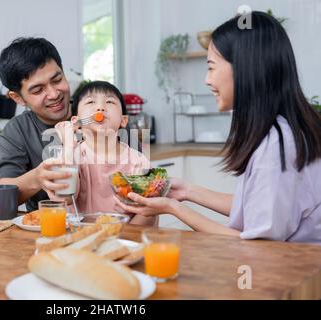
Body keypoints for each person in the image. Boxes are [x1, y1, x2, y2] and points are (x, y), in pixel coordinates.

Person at [114, 11, 321, 243]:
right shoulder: (281, 132)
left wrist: (174, 208)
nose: (207, 79)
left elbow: (261, 247)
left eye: (211, 67)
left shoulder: (276, 146)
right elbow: (255, 209)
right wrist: (187, 192)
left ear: (244, 68)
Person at [54, 81, 155, 225]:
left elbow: (149, 212)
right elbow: (66, 197)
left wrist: (121, 238)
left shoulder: (138, 162)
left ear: (123, 120)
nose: (100, 107)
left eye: (109, 102)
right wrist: (69, 146)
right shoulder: (71, 156)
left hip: (126, 240)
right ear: (76, 122)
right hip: (80, 239)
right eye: (90, 102)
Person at [0, 37, 75, 211]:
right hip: (51, 229)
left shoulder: (96, 113)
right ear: (18, 98)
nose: (53, 94)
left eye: (57, 80)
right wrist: (38, 177)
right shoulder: (18, 130)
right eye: (38, 90)